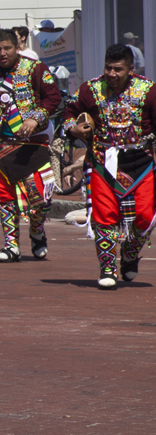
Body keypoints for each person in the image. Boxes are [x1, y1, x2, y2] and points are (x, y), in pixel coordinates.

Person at [64, 45, 156, 288]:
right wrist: (73, 128)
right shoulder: (90, 89)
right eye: (108, 68)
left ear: (130, 69)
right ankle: (107, 268)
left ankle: (129, 252)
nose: (112, 73)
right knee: (104, 217)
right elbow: (68, 113)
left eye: (118, 69)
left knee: (146, 216)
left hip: (141, 163)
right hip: (102, 162)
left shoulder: (149, 90)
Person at [0, 29, 61, 263]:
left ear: (17, 47)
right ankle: (11, 246)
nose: (2, 53)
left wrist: (35, 118)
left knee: (41, 198)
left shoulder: (35, 68)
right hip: (1, 144)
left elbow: (53, 97)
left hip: (33, 142)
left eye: (7, 48)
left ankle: (37, 231)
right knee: (4, 198)